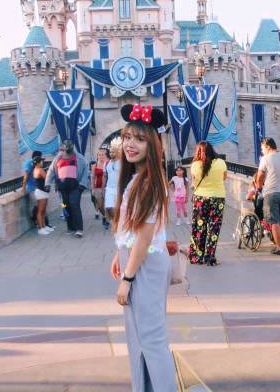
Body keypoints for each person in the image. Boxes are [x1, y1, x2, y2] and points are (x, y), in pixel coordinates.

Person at [110, 103, 176, 391]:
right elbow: (131, 228)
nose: (130, 144)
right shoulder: (137, 179)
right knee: (139, 338)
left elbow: (145, 237)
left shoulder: (149, 182)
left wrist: (127, 278)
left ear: (153, 145)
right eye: (127, 137)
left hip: (144, 266)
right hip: (137, 261)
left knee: (151, 339)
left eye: (139, 139)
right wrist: (119, 254)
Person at [189, 141, 227, 266]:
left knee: (199, 226)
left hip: (200, 198)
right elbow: (224, 177)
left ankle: (197, 256)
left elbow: (194, 181)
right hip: (218, 198)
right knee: (214, 228)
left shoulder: (195, 165)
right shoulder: (221, 162)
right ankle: (210, 257)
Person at [46, 139, 89, 238]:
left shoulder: (79, 157)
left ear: (72, 146)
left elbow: (85, 170)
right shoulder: (57, 158)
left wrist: (82, 184)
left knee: (75, 204)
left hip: (76, 187)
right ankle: (70, 227)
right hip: (62, 188)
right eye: (66, 144)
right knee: (65, 206)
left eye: (70, 144)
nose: (68, 146)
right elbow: (51, 171)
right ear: (63, 146)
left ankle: (79, 229)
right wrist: (47, 183)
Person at [32, 155, 53, 235]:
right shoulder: (40, 170)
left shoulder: (36, 169)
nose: (42, 162)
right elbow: (47, 178)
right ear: (37, 163)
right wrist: (48, 171)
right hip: (41, 192)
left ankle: (44, 226)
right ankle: (40, 229)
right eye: (41, 161)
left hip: (41, 192)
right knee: (40, 211)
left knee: (43, 210)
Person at [103, 138, 122, 229]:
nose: (111, 154)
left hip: (119, 188)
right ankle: (116, 220)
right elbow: (105, 176)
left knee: (118, 207)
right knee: (109, 207)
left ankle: (118, 223)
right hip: (109, 188)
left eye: (113, 152)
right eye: (110, 152)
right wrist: (103, 188)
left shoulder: (122, 162)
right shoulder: (107, 163)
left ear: (117, 152)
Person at [91, 149, 110, 228]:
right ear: (97, 156)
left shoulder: (108, 164)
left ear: (106, 155)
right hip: (97, 188)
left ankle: (107, 219)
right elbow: (92, 177)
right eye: (99, 155)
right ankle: (104, 215)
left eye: (103, 155)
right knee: (100, 205)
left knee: (107, 204)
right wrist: (92, 188)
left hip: (107, 187)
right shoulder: (94, 165)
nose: (101, 156)